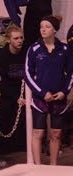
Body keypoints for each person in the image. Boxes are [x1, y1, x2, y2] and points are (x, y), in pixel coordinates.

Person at [25, 16, 73, 165]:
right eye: (41, 27)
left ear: (55, 30)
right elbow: (28, 74)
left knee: (56, 134)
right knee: (38, 133)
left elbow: (71, 73)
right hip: (40, 99)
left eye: (47, 26)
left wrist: (64, 91)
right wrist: (42, 92)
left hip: (59, 98)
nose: (43, 29)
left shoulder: (65, 49)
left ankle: (53, 167)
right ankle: (37, 168)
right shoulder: (33, 49)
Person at [0, 25, 27, 154]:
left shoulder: (27, 52)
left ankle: (22, 147)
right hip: (7, 91)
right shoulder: (2, 54)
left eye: (21, 38)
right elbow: (1, 80)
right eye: (16, 38)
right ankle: (6, 149)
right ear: (9, 40)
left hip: (23, 90)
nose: (19, 41)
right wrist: (16, 98)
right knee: (6, 114)